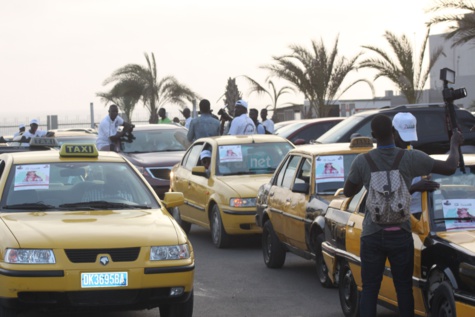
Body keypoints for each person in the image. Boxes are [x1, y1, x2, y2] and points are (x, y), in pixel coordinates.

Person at [343, 114, 463, 317]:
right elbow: (450, 167)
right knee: (404, 289)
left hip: (372, 235)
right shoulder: (410, 158)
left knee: (370, 289)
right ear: (393, 132)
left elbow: (348, 192)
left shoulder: (362, 161)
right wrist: (454, 144)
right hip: (401, 234)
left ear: (373, 136)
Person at [392, 112, 440, 218]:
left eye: (409, 137)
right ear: (393, 132)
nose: (407, 142)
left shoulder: (418, 156)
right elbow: (388, 198)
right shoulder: (386, 159)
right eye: (403, 137)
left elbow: (448, 168)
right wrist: (415, 188)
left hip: (419, 214)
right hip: (397, 216)